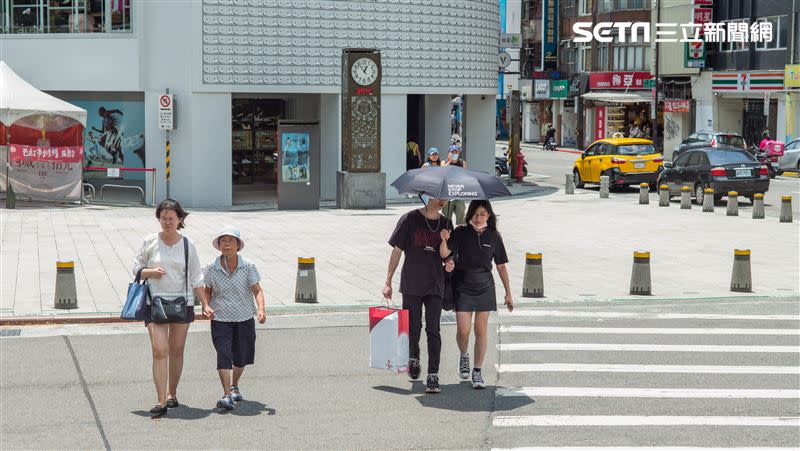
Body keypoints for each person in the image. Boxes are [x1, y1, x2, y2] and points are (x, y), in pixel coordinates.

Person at [133, 199, 211, 417]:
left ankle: (172, 393)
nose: (167, 222)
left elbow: (197, 277)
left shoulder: (188, 245)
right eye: (163, 217)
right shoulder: (149, 241)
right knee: (159, 350)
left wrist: (205, 303)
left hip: (181, 303)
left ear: (180, 219)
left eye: (171, 218)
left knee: (176, 351)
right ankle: (160, 401)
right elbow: (136, 268)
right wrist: (150, 272)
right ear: (158, 219)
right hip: (154, 302)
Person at [439, 200, 513, 389]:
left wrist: (508, 293)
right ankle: (464, 356)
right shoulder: (461, 232)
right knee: (463, 330)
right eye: (476, 214)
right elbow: (444, 254)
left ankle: (478, 371)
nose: (478, 218)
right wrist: (445, 239)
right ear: (470, 214)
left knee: (481, 330)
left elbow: (501, 266)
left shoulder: (494, 236)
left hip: (485, 286)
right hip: (463, 285)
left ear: (489, 215)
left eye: (483, 214)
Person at [383, 199, 455, 393]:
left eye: (444, 197)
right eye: (438, 196)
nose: (442, 201)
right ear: (426, 196)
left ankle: (433, 374)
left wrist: (447, 253)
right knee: (413, 327)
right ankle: (413, 357)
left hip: (435, 283)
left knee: (433, 329)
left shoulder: (447, 223)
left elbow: (447, 256)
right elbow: (397, 251)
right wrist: (388, 281)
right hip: (412, 283)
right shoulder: (409, 220)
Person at [203, 227, 266, 411]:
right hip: (220, 317)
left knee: (241, 357)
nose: (227, 244)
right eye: (224, 241)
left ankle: (234, 385)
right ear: (219, 245)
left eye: (231, 241)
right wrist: (206, 306)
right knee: (223, 355)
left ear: (238, 245)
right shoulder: (212, 268)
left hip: (244, 317)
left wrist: (261, 309)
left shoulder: (248, 266)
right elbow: (207, 290)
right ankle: (226, 394)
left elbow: (257, 290)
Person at [443, 146, 467, 226]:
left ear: (458, 153)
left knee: (461, 211)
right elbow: (442, 173)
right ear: (448, 153)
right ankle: (448, 231)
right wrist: (449, 161)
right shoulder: (444, 162)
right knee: (446, 217)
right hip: (447, 193)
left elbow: (465, 175)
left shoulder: (462, 163)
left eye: (456, 152)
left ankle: (460, 231)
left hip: (458, 192)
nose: (454, 154)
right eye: (452, 152)